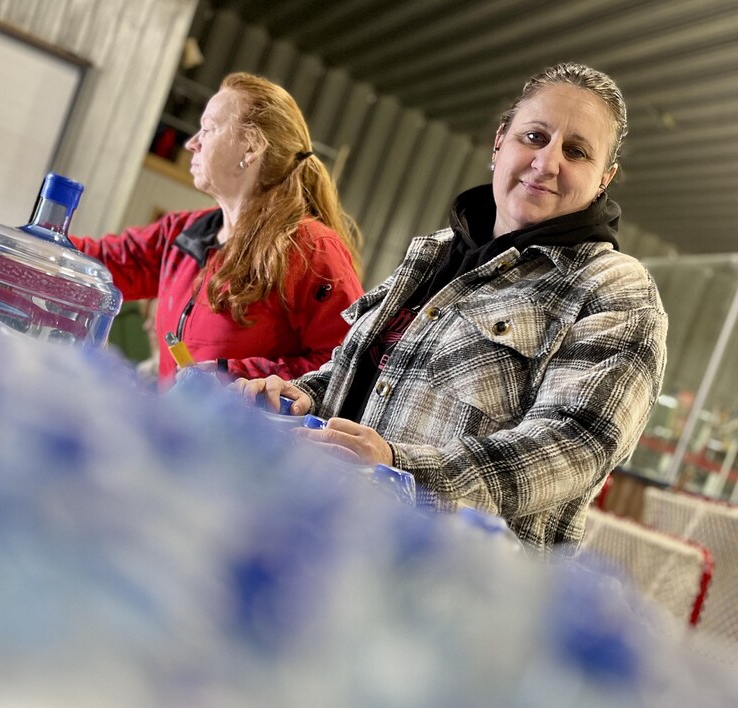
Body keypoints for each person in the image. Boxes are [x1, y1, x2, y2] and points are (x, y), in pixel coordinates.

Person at [235, 63, 668, 554]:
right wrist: (300, 395)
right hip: (327, 535)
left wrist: (397, 468)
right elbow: (362, 372)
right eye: (534, 136)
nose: (547, 163)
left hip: (452, 582)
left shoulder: (616, 290)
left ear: (604, 178)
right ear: (499, 143)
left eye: (576, 151)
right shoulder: (438, 252)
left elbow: (575, 444)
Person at [0, 72, 363, 386]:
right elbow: (87, 266)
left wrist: (234, 377)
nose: (192, 141)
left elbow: (345, 364)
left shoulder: (310, 250)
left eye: (207, 128)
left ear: (250, 146)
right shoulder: (184, 235)